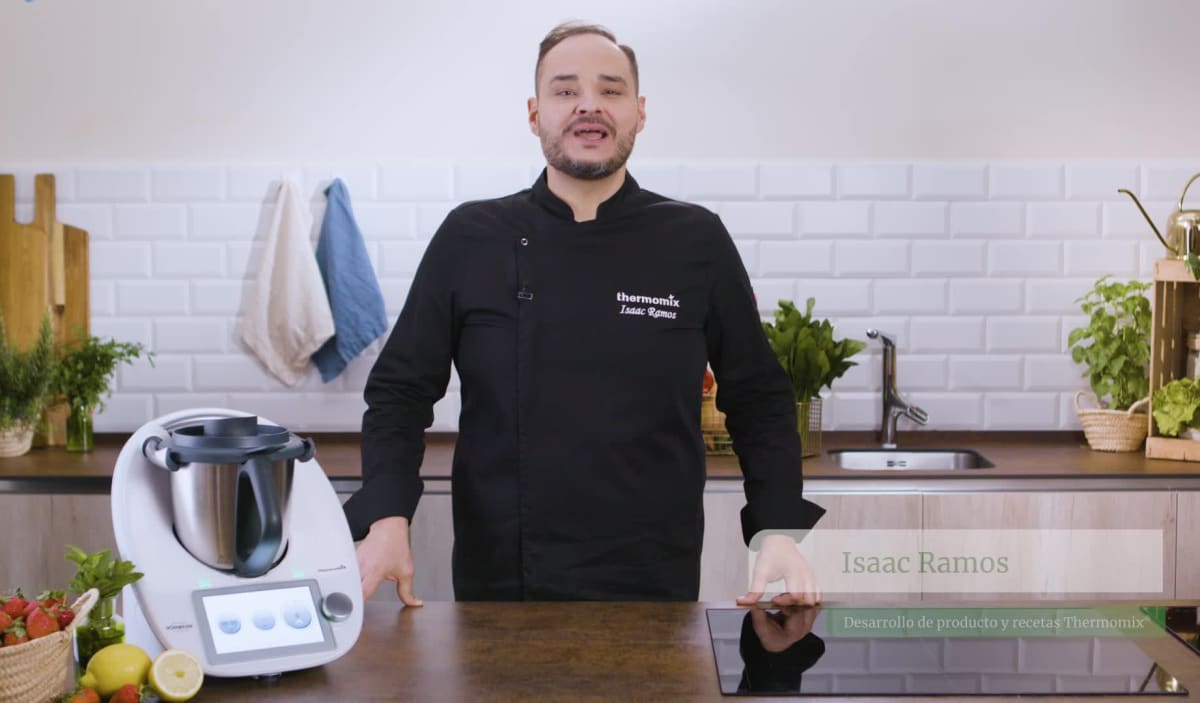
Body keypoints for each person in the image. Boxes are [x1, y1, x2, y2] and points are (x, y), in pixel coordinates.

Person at [343, 21, 825, 604]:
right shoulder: (470, 236)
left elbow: (758, 397)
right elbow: (399, 393)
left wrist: (777, 528)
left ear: (639, 113)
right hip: (502, 581)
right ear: (534, 114)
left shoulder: (694, 239)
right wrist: (387, 516)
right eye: (566, 90)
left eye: (611, 90)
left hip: (654, 578)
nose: (588, 105)